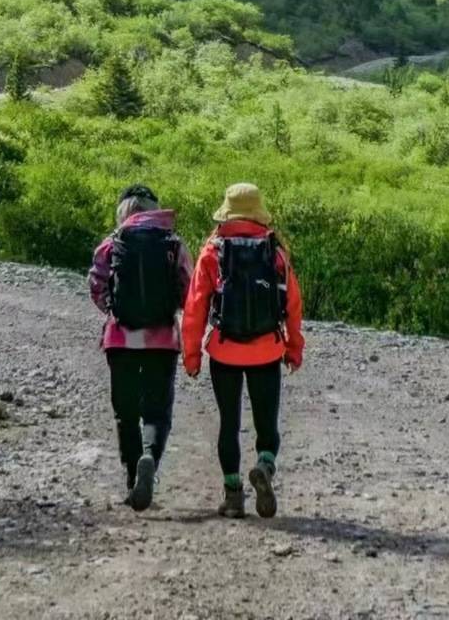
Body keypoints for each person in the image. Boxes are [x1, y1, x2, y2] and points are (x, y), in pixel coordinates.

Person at [182, 182, 304, 519]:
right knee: (267, 424)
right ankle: (265, 464)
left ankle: (233, 495)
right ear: (258, 213)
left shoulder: (212, 251)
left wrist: (191, 356)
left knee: (228, 424)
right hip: (267, 350)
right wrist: (294, 348)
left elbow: (194, 308)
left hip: (224, 352)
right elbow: (292, 304)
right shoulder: (275, 252)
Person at [89, 182, 192, 511]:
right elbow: (189, 289)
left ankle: (133, 477)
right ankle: (150, 457)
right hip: (162, 340)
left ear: (122, 212)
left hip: (120, 340)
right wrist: (169, 309)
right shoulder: (173, 244)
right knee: (157, 412)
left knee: (126, 412)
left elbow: (96, 285)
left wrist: (114, 312)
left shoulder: (111, 244)